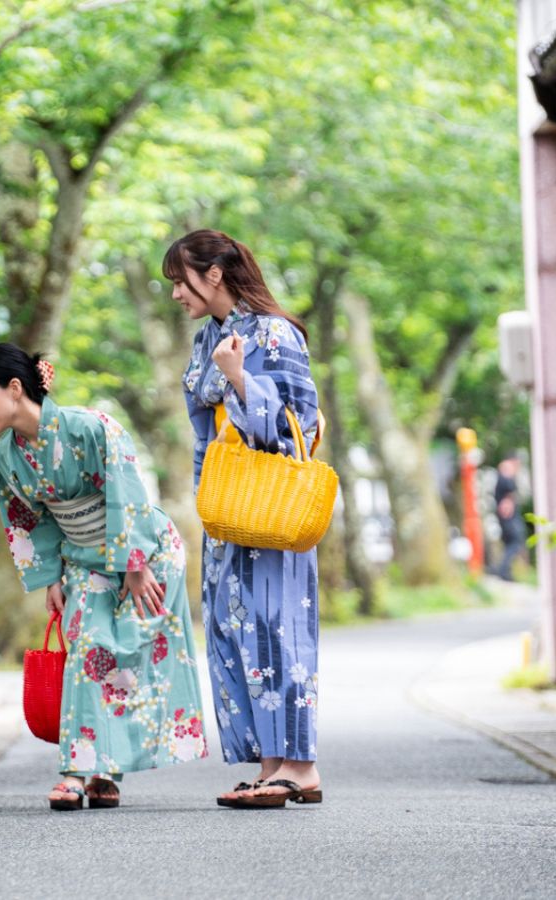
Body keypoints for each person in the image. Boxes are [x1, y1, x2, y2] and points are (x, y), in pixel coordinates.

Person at [0, 343, 206, 811]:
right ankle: (79, 770)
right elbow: (28, 520)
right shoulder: (7, 456)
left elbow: (127, 487)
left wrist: (135, 566)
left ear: (14, 389)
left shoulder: (91, 428)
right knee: (88, 651)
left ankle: (104, 771)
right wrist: (50, 577)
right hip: (82, 558)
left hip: (145, 550)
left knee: (132, 651)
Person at [167, 229, 324, 809]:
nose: (176, 295)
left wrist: (237, 379)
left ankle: (300, 767)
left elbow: (296, 426)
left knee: (278, 627)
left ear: (214, 274)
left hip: (272, 506)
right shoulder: (207, 337)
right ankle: (269, 766)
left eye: (180, 281)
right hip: (226, 506)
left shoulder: (275, 334)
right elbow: (202, 428)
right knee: (236, 632)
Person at [492, 455, 526, 581]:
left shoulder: (503, 474)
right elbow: (509, 491)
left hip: (506, 516)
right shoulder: (506, 472)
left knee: (510, 543)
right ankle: (502, 570)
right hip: (508, 517)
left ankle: (504, 570)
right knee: (515, 542)